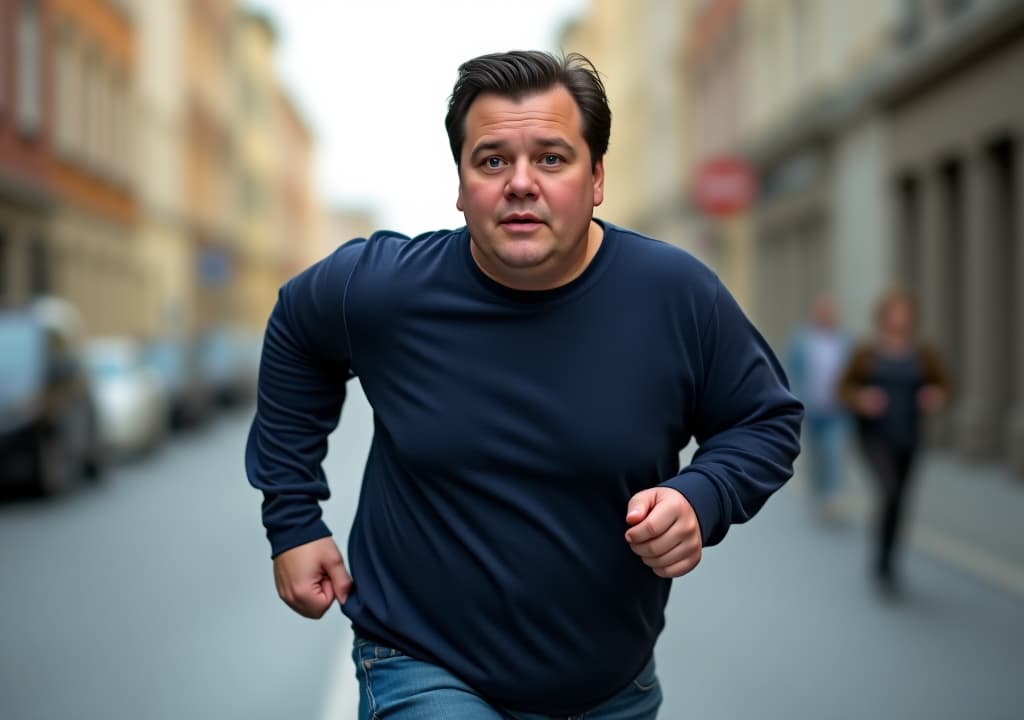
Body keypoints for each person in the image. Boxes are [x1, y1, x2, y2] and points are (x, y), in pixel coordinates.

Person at [245, 50, 803, 719]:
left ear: (596, 178)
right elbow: (295, 331)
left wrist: (704, 495)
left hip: (610, 688)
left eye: (550, 158)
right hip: (422, 662)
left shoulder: (674, 296)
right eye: (491, 161)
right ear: (460, 185)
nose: (520, 183)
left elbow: (765, 419)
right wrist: (294, 520)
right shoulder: (387, 288)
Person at [838, 289, 950, 597]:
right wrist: (861, 398)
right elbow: (843, 388)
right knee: (889, 491)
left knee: (900, 500)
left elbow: (943, 384)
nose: (900, 318)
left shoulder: (923, 353)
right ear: (884, 315)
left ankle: (889, 559)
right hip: (874, 437)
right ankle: (882, 564)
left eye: (905, 311)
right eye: (894, 311)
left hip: (909, 436)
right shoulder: (867, 352)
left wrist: (935, 395)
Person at [784, 293, 852, 523]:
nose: (825, 315)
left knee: (833, 452)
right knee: (816, 457)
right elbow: (789, 371)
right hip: (811, 410)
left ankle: (832, 497)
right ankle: (818, 494)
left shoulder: (844, 341)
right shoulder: (802, 341)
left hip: (836, 410)